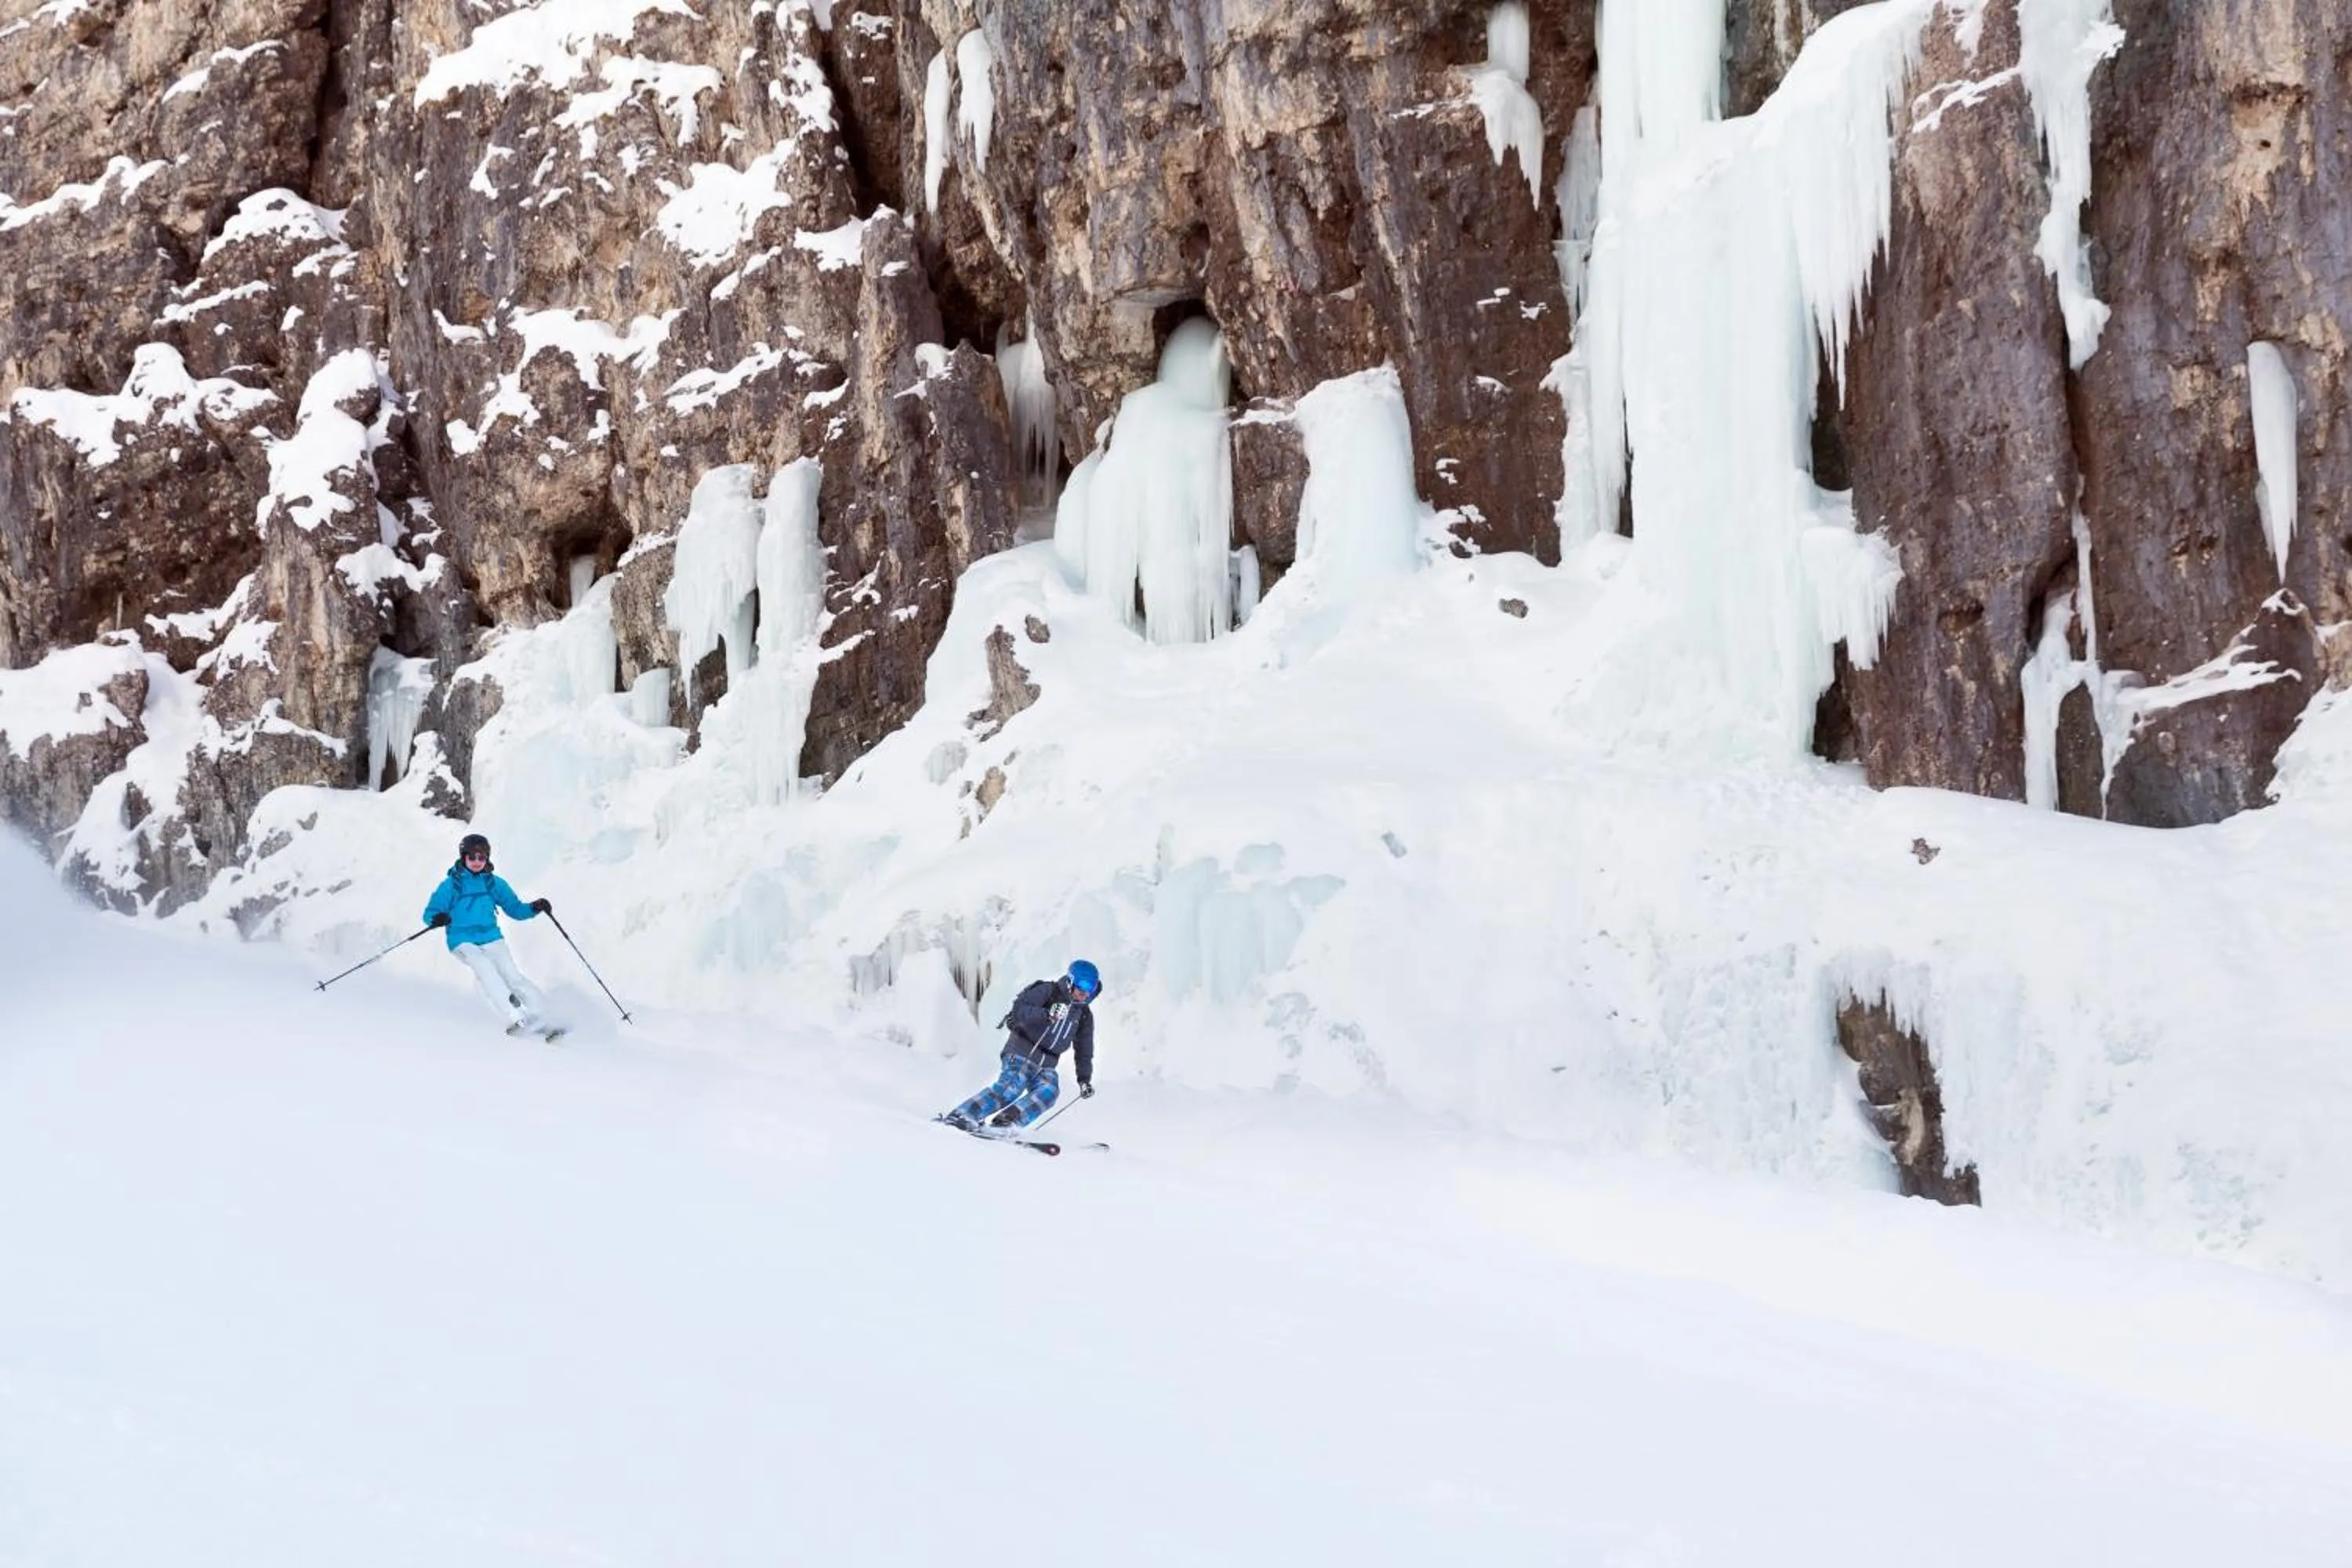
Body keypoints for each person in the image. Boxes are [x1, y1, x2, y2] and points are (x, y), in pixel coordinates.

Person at [422, 832, 561, 1039]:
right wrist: (438, 918)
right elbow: (430, 913)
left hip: (491, 936)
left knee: (512, 975)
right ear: (463, 857)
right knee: (486, 970)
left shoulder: (494, 883)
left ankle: (544, 1016)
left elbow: (515, 909)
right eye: (472, 857)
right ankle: (515, 1016)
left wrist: (534, 907)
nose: (477, 862)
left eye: (482, 857)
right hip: (462, 939)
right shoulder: (451, 885)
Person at [942, 960, 1101, 1131]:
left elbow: (1084, 1050)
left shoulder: (1083, 1015)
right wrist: (1046, 1015)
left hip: (1047, 1064)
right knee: (1011, 1088)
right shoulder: (1049, 991)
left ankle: (1006, 1123)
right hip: (1022, 1051)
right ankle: (963, 1115)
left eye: (1090, 989)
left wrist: (1084, 1080)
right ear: (1070, 981)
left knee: (1049, 1092)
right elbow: (1020, 1009)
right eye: (1082, 987)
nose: (1084, 993)